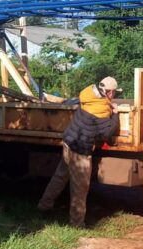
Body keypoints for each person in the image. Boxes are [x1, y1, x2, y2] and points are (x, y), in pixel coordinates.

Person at [38, 76, 121, 227]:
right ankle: (77, 224)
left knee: (60, 177)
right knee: (80, 189)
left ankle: (44, 206)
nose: (114, 95)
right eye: (114, 93)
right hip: (80, 151)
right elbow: (106, 133)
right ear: (108, 92)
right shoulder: (100, 110)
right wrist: (115, 113)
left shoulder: (88, 95)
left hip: (69, 142)